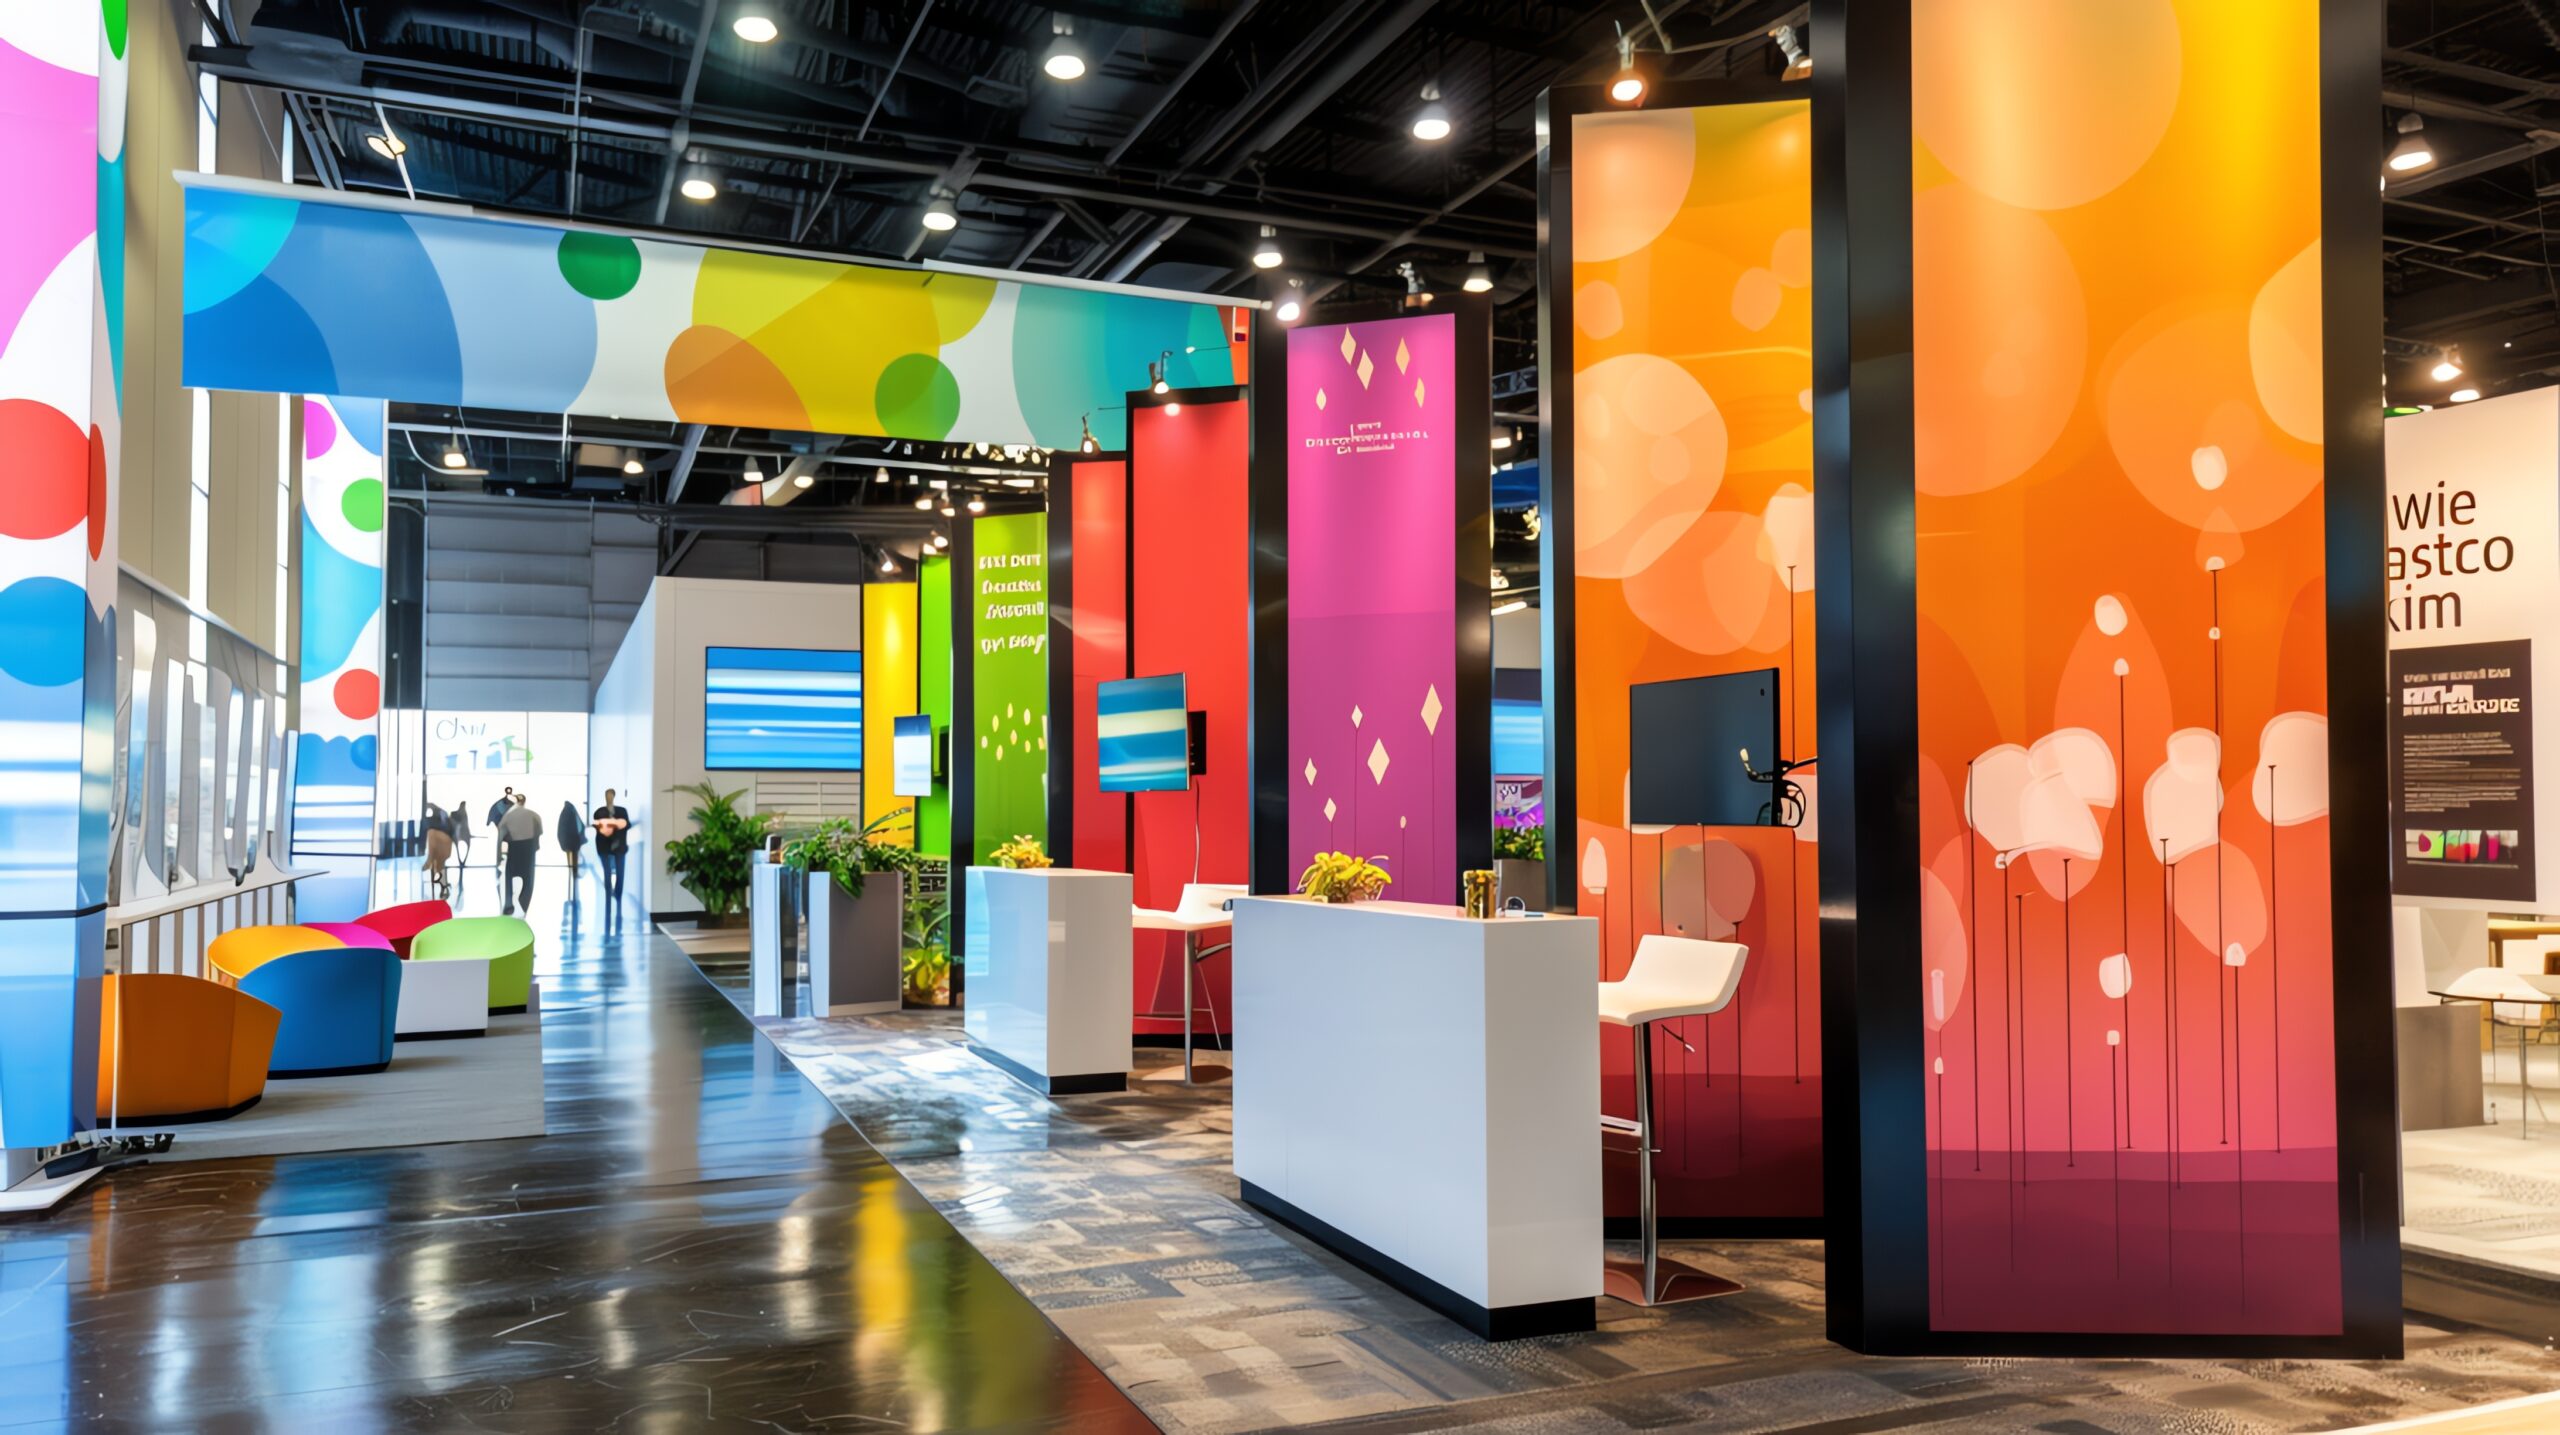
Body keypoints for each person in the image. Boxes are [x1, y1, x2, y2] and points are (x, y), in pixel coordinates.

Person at [498, 793, 544, 915]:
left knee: (509, 875)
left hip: (514, 847)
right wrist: (536, 846)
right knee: (528, 877)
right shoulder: (533, 815)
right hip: (529, 847)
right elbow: (539, 831)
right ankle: (524, 903)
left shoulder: (509, 815)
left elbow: (501, 831)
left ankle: (509, 904)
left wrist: (500, 851)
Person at [592, 789, 631, 912]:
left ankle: (618, 893)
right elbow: (597, 825)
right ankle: (608, 894)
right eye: (607, 796)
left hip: (619, 846)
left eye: (611, 796)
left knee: (620, 871)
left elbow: (627, 825)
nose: (609, 798)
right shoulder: (599, 812)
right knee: (607, 872)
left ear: (614, 796)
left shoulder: (622, 811)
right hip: (604, 846)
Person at [557, 799, 585, 872]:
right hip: (574, 841)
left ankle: (572, 874)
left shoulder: (565, 813)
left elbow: (561, 830)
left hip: (568, 842)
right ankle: (574, 875)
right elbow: (579, 827)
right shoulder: (571, 812)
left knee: (571, 864)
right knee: (574, 863)